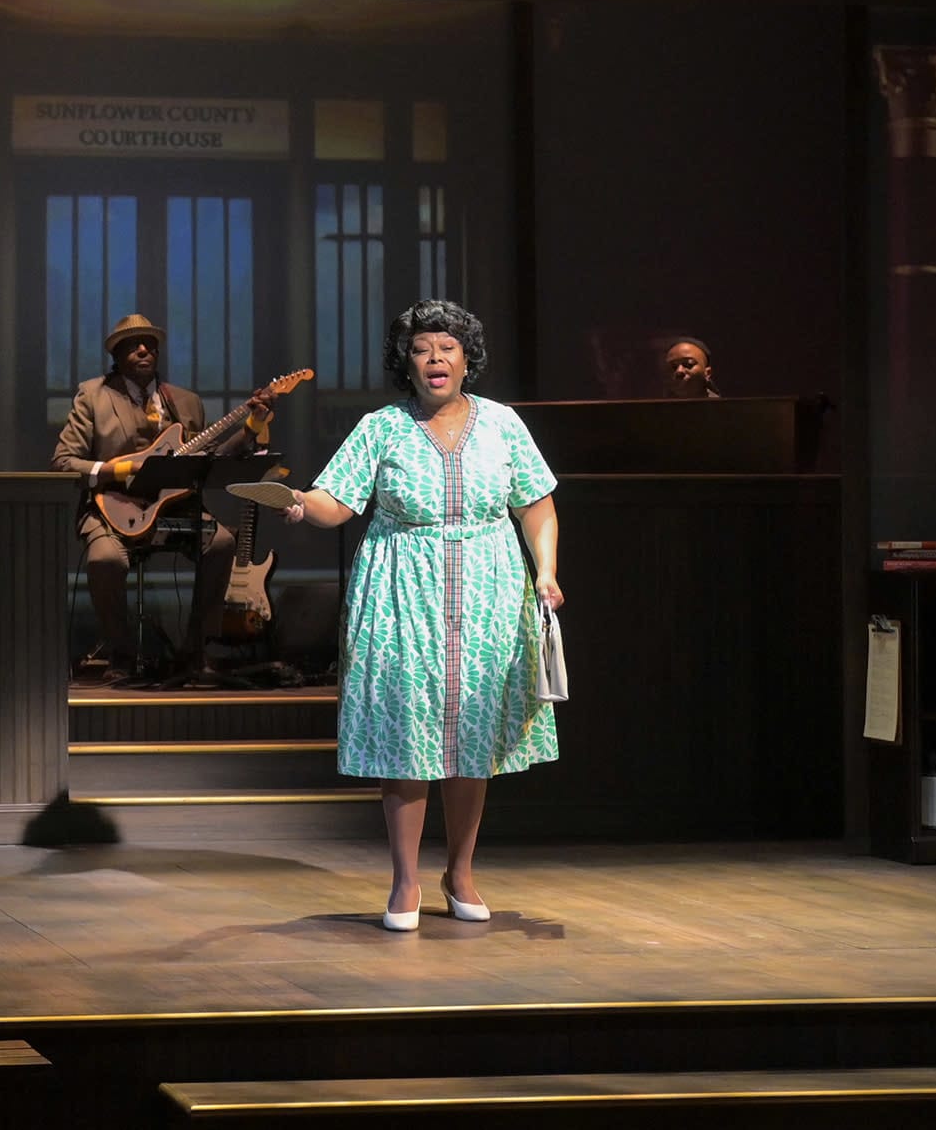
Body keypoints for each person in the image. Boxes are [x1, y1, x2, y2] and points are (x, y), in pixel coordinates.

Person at [282, 298, 562, 931]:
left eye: (446, 348)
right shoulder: (381, 427)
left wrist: (545, 571)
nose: (435, 358)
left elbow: (536, 504)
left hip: (489, 589)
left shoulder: (503, 424)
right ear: (404, 363)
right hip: (402, 588)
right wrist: (302, 504)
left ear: (467, 359)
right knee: (407, 732)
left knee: (471, 737)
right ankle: (405, 881)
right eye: (421, 349)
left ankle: (460, 871)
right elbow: (337, 501)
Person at [52, 313, 261, 682]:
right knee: (104, 560)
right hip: (111, 508)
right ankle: (121, 653)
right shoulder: (93, 396)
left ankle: (194, 652)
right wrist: (115, 469)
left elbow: (211, 457)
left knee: (223, 543)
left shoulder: (185, 402)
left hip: (175, 506)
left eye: (150, 344)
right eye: (133, 344)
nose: (144, 349)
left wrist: (251, 427)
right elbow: (64, 462)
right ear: (115, 356)